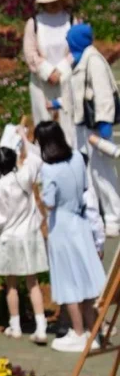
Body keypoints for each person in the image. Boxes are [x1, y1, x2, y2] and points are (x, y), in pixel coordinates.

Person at [37, 120, 107, 353]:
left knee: (68, 283)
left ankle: (78, 333)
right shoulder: (77, 156)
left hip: (62, 227)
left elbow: (49, 202)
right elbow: (85, 186)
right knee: (85, 281)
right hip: (80, 223)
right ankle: (92, 331)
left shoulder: (48, 169)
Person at [0, 142, 48, 343]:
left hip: (10, 238)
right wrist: (24, 138)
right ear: (14, 160)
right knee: (32, 282)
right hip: (29, 235)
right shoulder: (24, 176)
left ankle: (15, 326)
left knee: (11, 284)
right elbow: (36, 157)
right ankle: (41, 326)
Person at [67, 21, 120, 237]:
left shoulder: (94, 61)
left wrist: (105, 121)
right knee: (88, 173)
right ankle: (97, 216)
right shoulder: (80, 61)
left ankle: (114, 217)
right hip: (83, 127)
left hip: (96, 127)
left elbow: (103, 92)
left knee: (103, 173)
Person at [22, 0, 74, 137]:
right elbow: (30, 53)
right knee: (45, 125)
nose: (53, 5)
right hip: (42, 84)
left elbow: (77, 48)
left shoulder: (71, 20)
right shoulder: (34, 23)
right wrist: (47, 72)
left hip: (66, 80)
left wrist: (61, 69)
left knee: (69, 124)